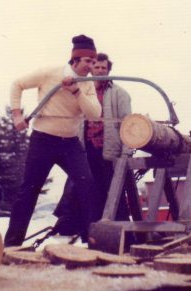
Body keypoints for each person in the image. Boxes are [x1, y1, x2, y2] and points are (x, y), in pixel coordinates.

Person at [4, 34, 102, 246]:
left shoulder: (87, 84)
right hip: (43, 140)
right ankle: (11, 245)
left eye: (94, 62)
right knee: (29, 190)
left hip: (70, 142)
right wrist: (16, 115)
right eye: (88, 61)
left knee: (87, 185)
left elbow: (94, 113)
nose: (91, 66)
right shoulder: (50, 72)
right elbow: (17, 84)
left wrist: (76, 91)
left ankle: (93, 241)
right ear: (75, 60)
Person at [54, 53, 132, 235]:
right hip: (85, 149)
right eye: (96, 67)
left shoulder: (120, 94)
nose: (100, 71)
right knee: (83, 192)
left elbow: (129, 125)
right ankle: (87, 234)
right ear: (91, 69)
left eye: (103, 68)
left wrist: (126, 153)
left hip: (108, 151)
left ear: (109, 70)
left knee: (112, 195)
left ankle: (120, 237)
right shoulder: (82, 90)